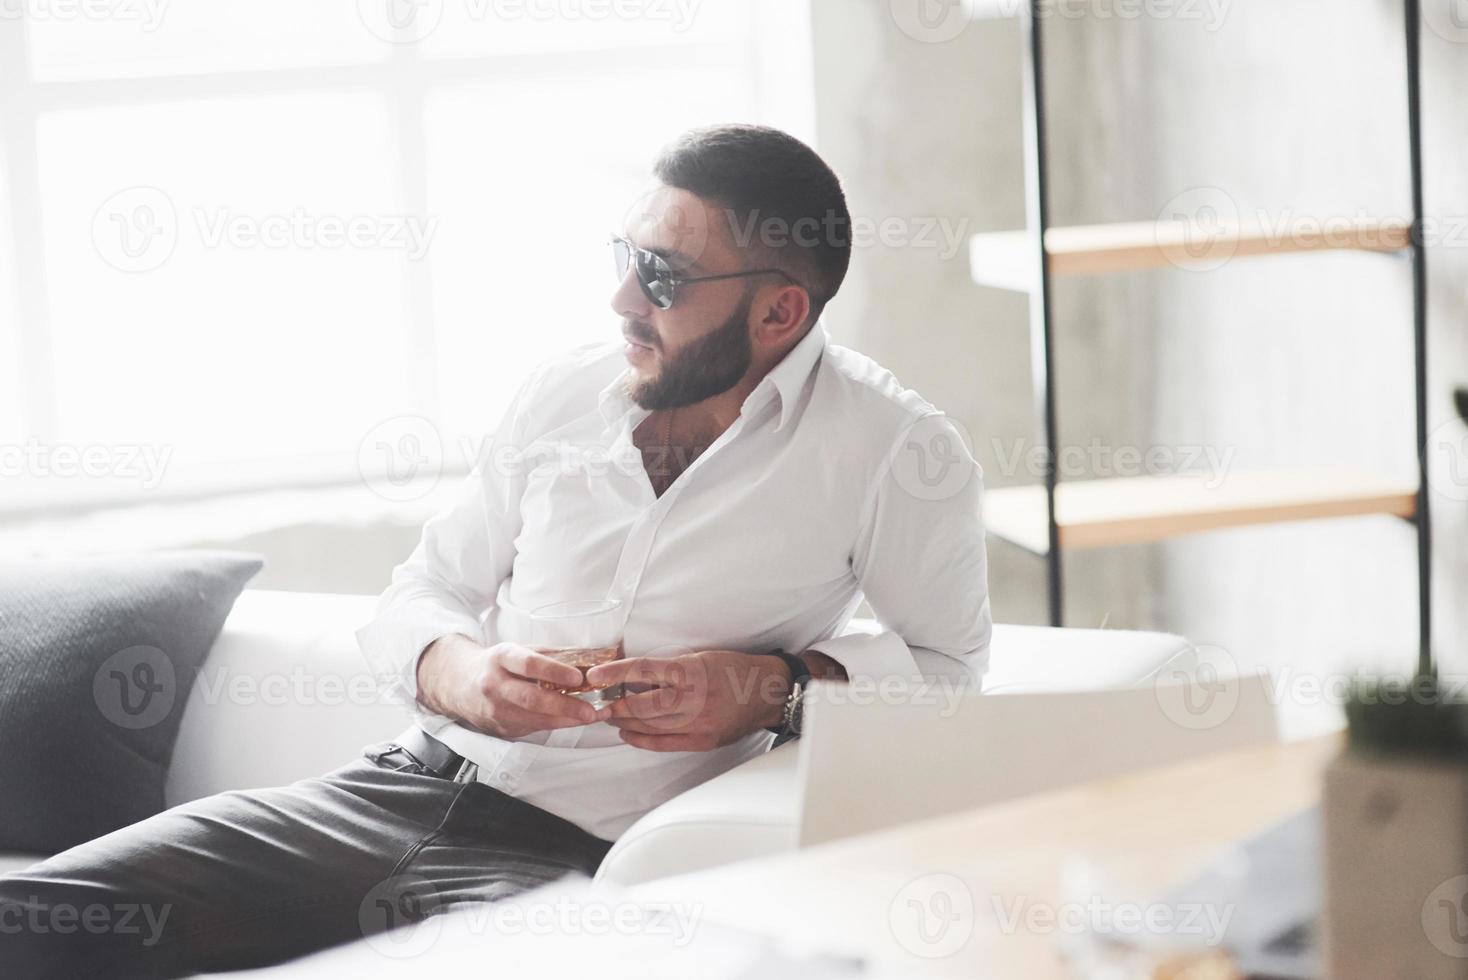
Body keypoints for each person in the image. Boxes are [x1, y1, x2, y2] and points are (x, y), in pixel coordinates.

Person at [0, 123, 992, 977]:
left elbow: (951, 674)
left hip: (575, 859)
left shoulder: (895, 451)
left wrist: (771, 686)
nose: (619, 303)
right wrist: (461, 670)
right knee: (30, 919)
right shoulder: (563, 389)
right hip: (391, 789)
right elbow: (423, 587)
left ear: (779, 311)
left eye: (661, 277)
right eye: (622, 256)